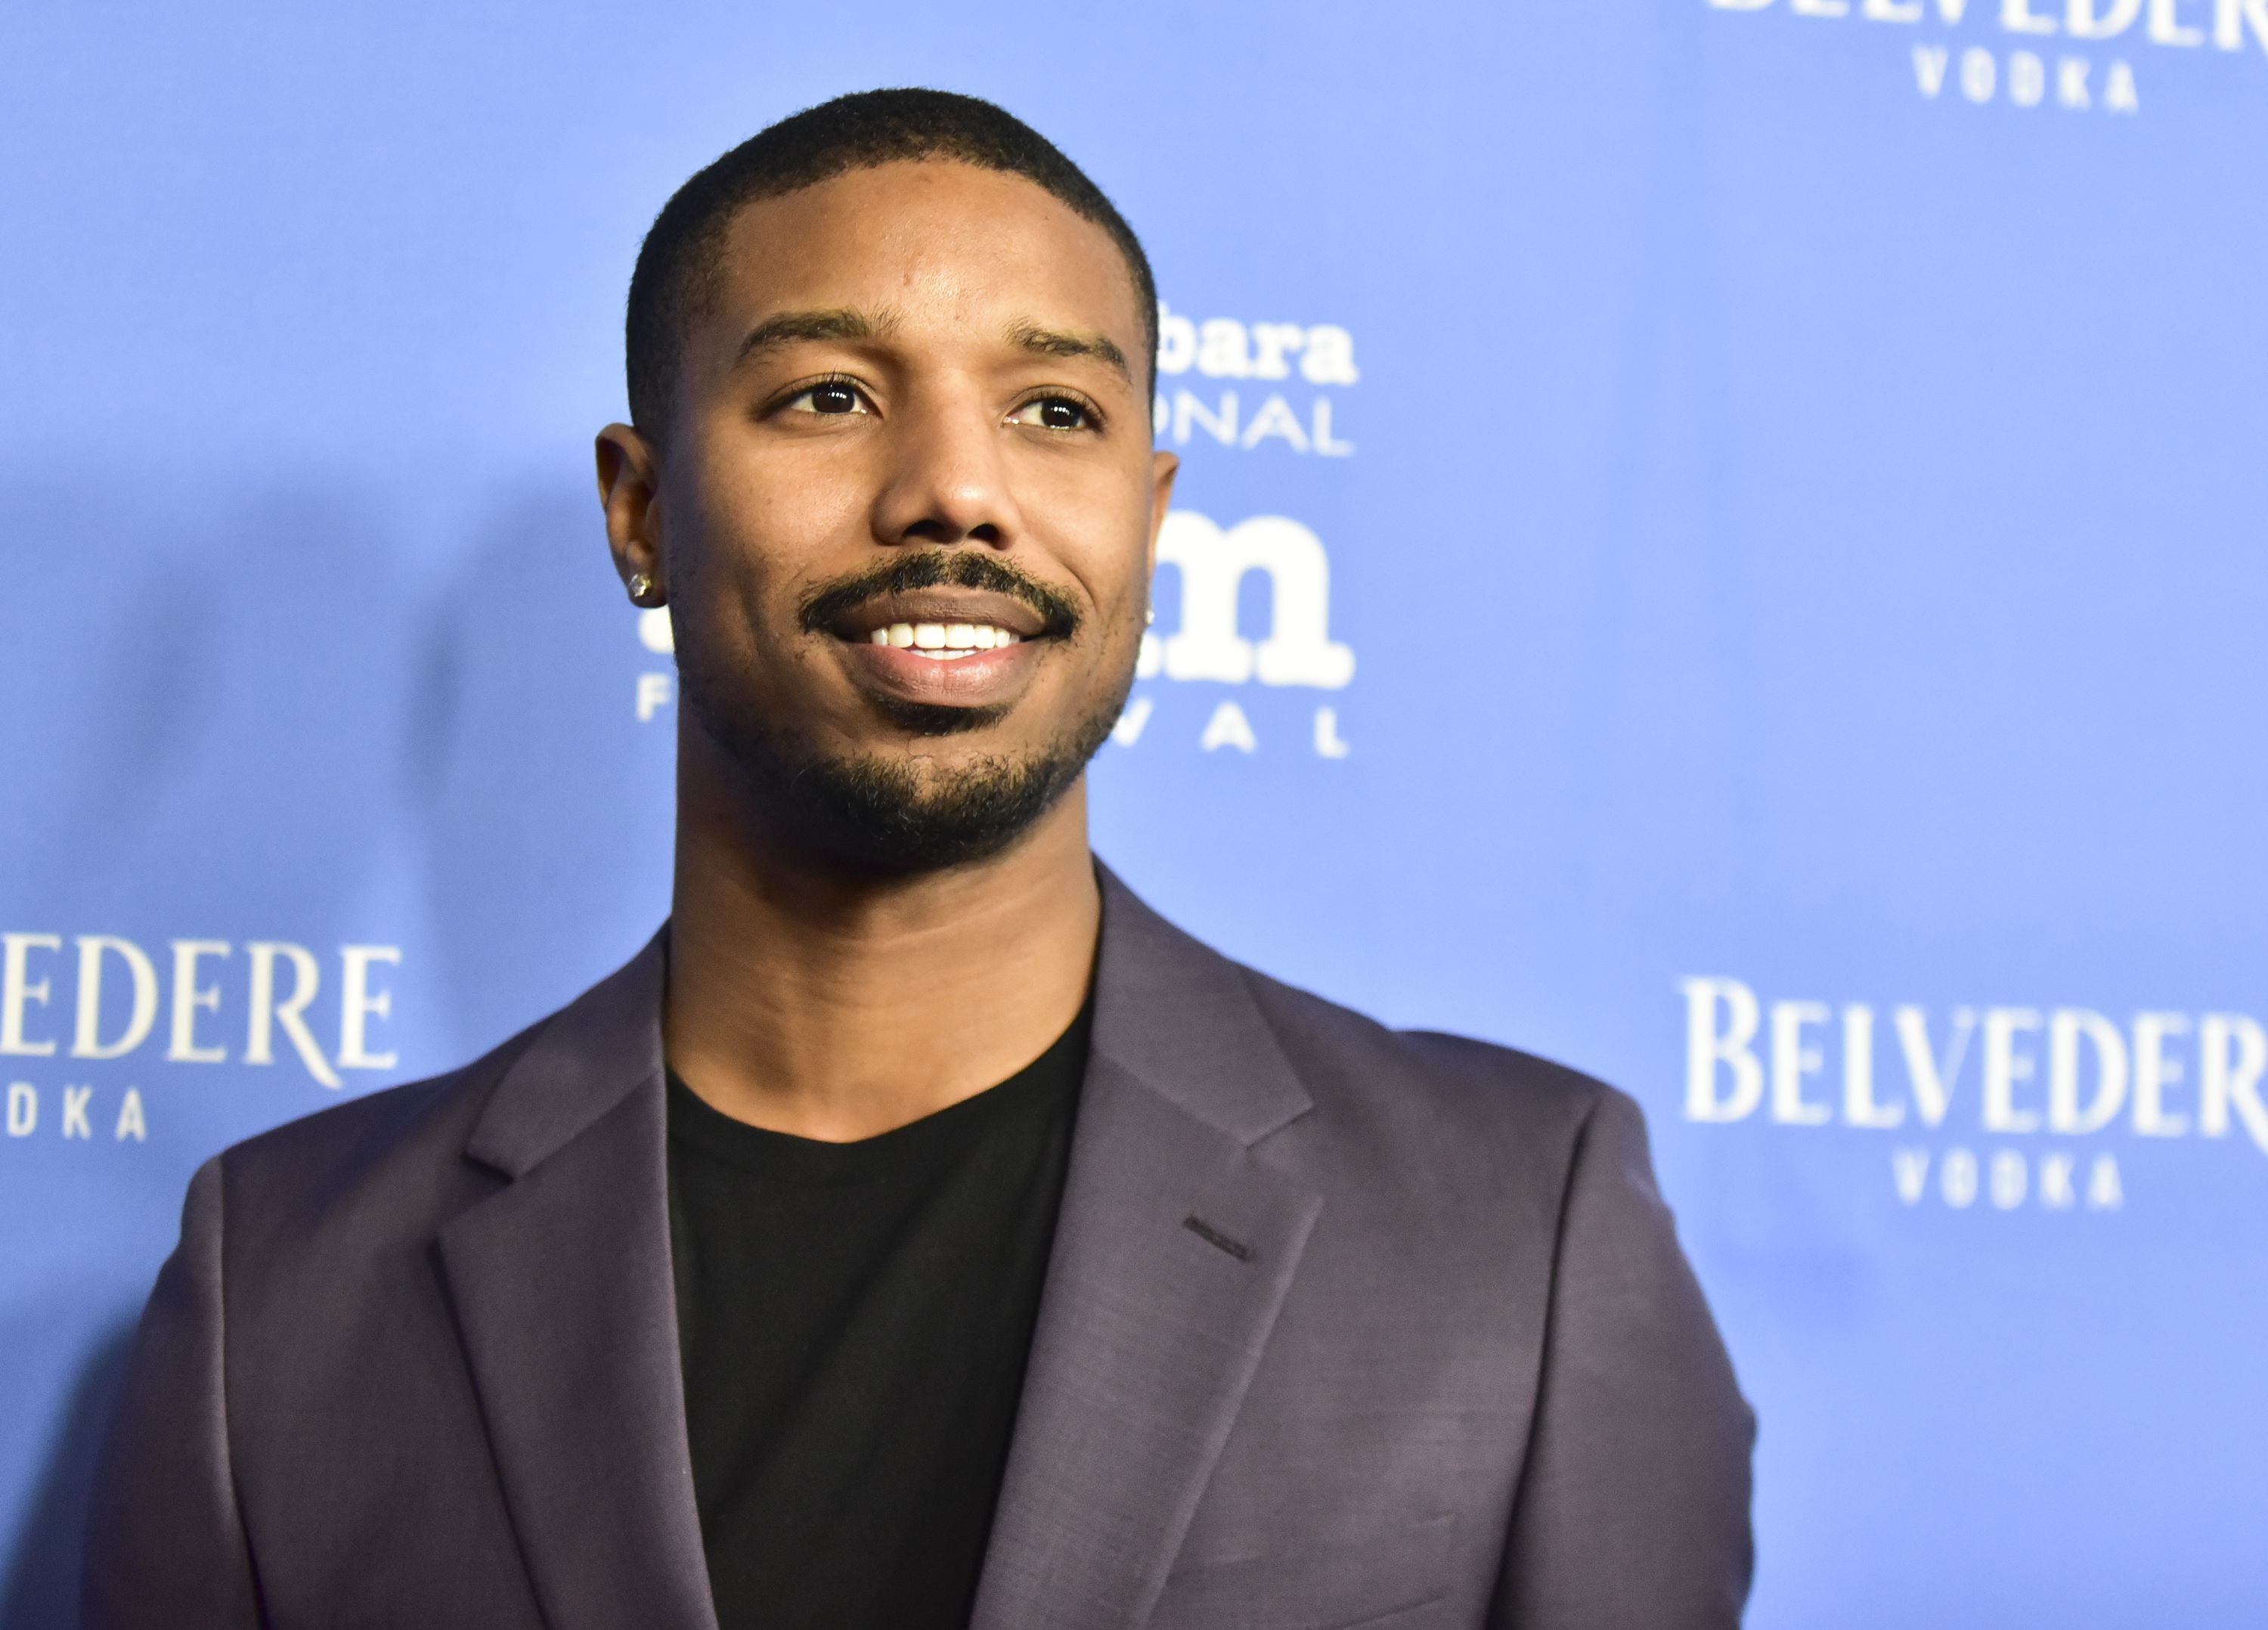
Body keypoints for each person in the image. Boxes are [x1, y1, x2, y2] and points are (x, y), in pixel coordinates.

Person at [81, 88, 1753, 1630]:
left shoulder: (1520, 1234)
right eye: (830, 396)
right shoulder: (281, 1291)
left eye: (1054, 409)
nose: (957, 490)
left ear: (1151, 514)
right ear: (641, 510)